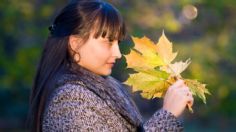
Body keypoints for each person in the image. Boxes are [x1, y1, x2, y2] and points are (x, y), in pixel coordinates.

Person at [28, 0, 194, 131]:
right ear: (75, 43)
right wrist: (168, 115)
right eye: (108, 42)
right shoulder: (69, 99)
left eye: (118, 42)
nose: (118, 53)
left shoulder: (107, 87)